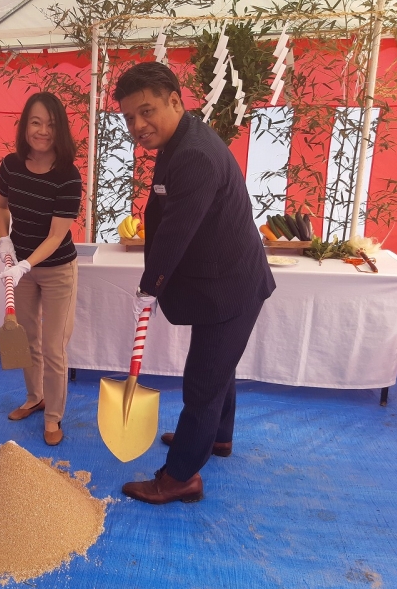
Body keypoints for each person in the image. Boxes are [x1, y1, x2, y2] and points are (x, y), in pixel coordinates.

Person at [114, 62, 275, 503]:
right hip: (219, 279)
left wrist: (151, 287)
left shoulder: (194, 155)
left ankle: (181, 476)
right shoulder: (178, 140)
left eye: (146, 111)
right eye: (129, 118)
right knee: (217, 368)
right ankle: (217, 438)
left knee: (203, 381)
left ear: (174, 100)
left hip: (231, 286)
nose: (138, 126)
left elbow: (176, 232)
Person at [0, 92, 82, 446]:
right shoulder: (11, 165)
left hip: (58, 268)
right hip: (20, 267)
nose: (42, 130)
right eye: (35, 122)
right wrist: (5, 241)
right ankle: (35, 398)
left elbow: (57, 234)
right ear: (24, 125)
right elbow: (1, 208)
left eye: (49, 123)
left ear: (59, 128)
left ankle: (53, 416)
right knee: (27, 339)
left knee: (53, 347)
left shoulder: (68, 176)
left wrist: (26, 263)